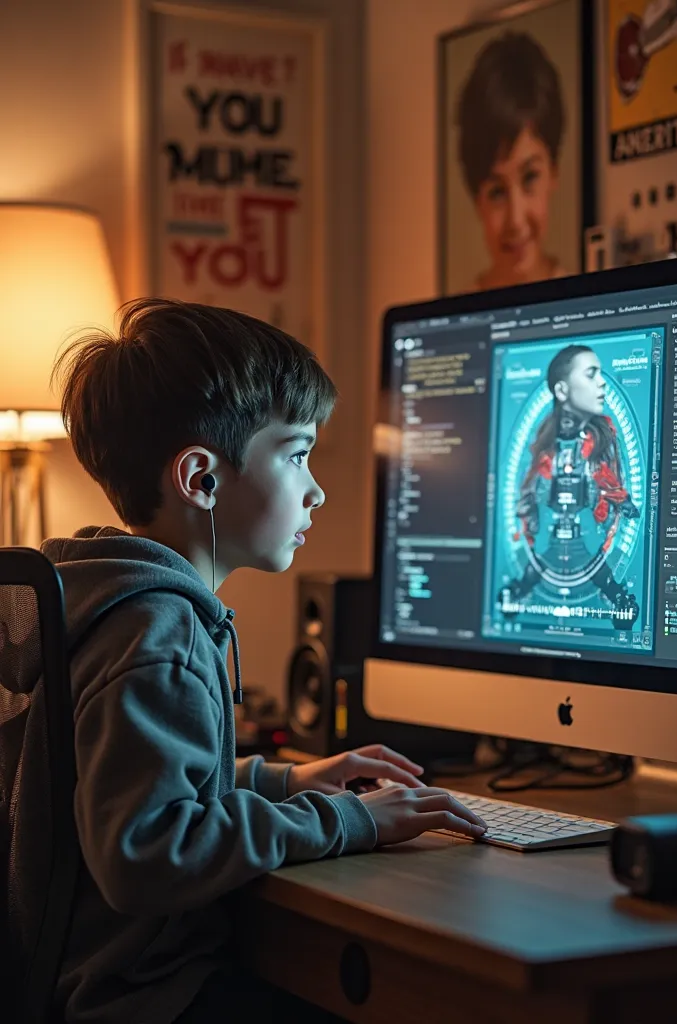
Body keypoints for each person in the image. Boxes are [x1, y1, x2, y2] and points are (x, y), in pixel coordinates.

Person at [41, 298, 487, 1024]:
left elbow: (130, 780)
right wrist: (348, 818)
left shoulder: (108, 602)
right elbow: (146, 852)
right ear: (201, 479)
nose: (317, 489)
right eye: (297, 453)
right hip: (146, 1000)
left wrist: (287, 779)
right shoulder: (160, 634)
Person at [497, 345, 641, 629]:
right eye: (590, 375)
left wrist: (621, 502)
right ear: (562, 390)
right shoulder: (546, 441)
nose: (601, 383)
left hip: (585, 531)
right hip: (553, 531)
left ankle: (619, 603)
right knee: (537, 568)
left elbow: (607, 479)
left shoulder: (600, 437)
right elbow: (532, 482)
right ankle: (517, 594)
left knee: (597, 569)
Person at [455, 31, 567, 292]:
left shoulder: (595, 308)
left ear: (554, 172)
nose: (516, 220)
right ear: (477, 201)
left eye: (529, 178)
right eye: (497, 192)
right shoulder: (452, 325)